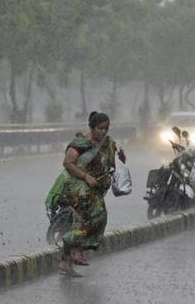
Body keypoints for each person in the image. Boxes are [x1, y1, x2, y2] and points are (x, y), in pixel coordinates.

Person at [56, 111, 125, 277]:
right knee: (99, 217)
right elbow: (68, 163)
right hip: (78, 188)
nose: (103, 132)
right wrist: (85, 176)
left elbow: (112, 165)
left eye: (106, 128)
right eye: (100, 128)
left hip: (96, 188)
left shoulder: (109, 143)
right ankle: (74, 246)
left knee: (87, 223)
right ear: (92, 128)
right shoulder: (81, 143)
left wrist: (120, 158)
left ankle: (66, 262)